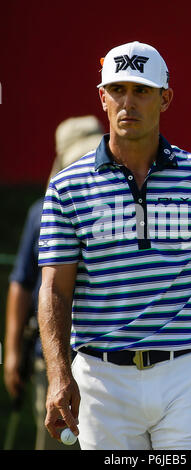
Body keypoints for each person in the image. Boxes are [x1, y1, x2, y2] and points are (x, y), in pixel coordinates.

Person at [37, 41, 191, 450]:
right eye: (118, 90)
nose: (128, 102)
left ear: (165, 98)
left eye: (141, 90)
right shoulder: (66, 187)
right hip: (101, 379)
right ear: (102, 98)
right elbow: (54, 288)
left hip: (187, 373)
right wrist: (58, 376)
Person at [4, 115, 104, 450]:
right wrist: (12, 352)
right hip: (50, 360)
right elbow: (22, 283)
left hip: (104, 361)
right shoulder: (41, 212)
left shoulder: (116, 210)